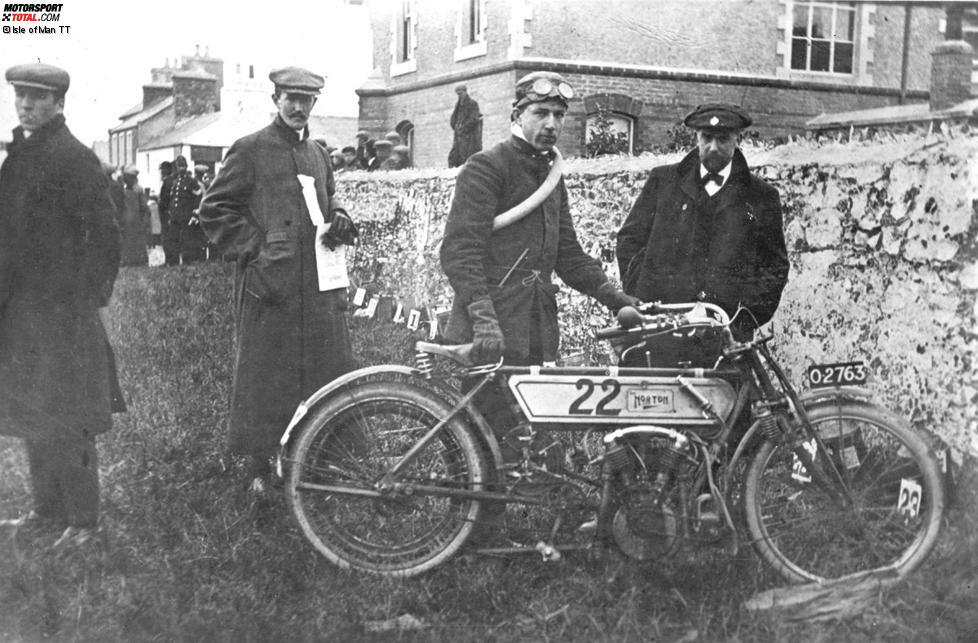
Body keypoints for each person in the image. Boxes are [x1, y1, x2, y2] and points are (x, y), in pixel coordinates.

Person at [439, 71, 637, 449]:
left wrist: (618, 300)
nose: (551, 124)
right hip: (492, 322)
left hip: (534, 323)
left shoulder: (551, 174)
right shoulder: (487, 166)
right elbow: (459, 252)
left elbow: (568, 255)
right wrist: (483, 321)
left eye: (559, 116)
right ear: (517, 114)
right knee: (478, 436)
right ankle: (472, 506)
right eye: (541, 113)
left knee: (520, 432)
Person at [198, 66, 358, 491]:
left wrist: (338, 215)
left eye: (307, 101)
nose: (298, 108)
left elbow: (330, 195)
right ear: (276, 100)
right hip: (269, 288)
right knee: (267, 374)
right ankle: (259, 468)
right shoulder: (250, 150)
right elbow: (213, 209)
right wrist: (256, 247)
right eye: (291, 99)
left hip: (317, 287)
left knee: (321, 368)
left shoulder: (318, 155)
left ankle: (315, 458)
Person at [0, 63, 124, 546]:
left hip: (63, 314)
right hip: (22, 311)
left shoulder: (74, 158)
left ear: (59, 103)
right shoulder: (19, 158)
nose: (26, 105)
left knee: (69, 414)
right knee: (33, 407)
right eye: (20, 96)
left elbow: (107, 237)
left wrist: (85, 297)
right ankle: (47, 511)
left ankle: (85, 522)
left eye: (36, 97)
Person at [615, 103, 789, 366]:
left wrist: (744, 317)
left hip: (727, 337)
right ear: (696, 138)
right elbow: (629, 241)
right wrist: (645, 299)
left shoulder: (759, 196)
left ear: (737, 140)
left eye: (723, 139)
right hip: (660, 331)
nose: (714, 147)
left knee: (727, 403)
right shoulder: (663, 182)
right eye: (707, 138)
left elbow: (774, 266)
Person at [162, 155, 206, 263]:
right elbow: (172, 199)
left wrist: (195, 215)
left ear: (186, 167)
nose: (181, 169)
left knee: (187, 241)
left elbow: (198, 198)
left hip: (186, 216)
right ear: (176, 167)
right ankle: (174, 263)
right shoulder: (175, 182)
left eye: (183, 166)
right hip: (175, 216)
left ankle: (187, 262)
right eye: (179, 166)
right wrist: (170, 214)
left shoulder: (191, 181)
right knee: (174, 240)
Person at [119, 164, 150, 266]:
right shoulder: (130, 189)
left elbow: (144, 207)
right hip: (131, 221)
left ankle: (134, 261)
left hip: (133, 221)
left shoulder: (137, 190)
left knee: (133, 242)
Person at [448, 83, 482, 168]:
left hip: (469, 136)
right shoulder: (458, 105)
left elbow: (474, 119)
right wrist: (454, 126)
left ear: (465, 92)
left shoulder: (472, 103)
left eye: (460, 93)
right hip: (458, 136)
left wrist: (463, 128)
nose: (459, 96)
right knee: (454, 156)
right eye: (458, 94)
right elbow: (454, 117)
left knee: (466, 156)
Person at [157, 161, 178, 265]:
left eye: (162, 170)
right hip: (168, 213)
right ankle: (170, 260)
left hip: (166, 214)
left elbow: (165, 200)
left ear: (165, 170)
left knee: (168, 238)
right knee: (169, 238)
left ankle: (170, 261)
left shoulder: (168, 182)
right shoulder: (171, 181)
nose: (161, 172)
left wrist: (161, 206)